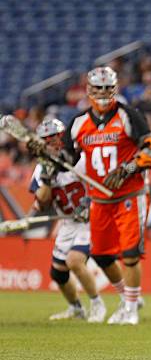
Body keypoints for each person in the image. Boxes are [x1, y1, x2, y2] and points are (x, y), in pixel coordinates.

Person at [36, 67, 151, 325]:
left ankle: (131, 308)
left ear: (114, 89)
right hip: (100, 200)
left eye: (107, 87)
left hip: (130, 193)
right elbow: (67, 161)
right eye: (98, 88)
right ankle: (129, 298)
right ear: (88, 90)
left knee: (129, 253)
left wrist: (129, 167)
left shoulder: (128, 115)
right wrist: (48, 159)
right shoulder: (79, 123)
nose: (103, 93)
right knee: (103, 255)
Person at [28, 118, 106, 322]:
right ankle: (76, 308)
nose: (50, 142)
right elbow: (42, 201)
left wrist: (89, 204)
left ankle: (97, 305)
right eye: (45, 139)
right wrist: (47, 176)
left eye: (54, 137)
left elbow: (100, 186)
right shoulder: (41, 169)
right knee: (58, 273)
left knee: (74, 261)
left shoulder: (81, 159)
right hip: (69, 222)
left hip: (90, 219)